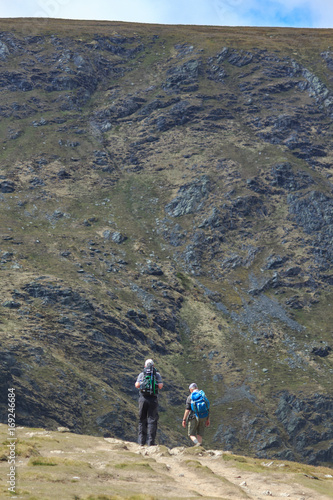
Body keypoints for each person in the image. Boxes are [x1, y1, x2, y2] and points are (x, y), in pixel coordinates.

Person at [135, 359, 163, 446]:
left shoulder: (142, 374)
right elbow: (160, 386)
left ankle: (141, 442)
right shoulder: (157, 374)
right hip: (153, 399)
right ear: (154, 366)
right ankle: (151, 442)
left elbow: (137, 385)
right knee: (152, 420)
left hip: (143, 398)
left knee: (142, 420)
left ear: (145, 366)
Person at [182, 382, 210, 447]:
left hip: (193, 417)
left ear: (191, 390)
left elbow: (187, 409)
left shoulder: (190, 397)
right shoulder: (203, 396)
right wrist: (208, 419)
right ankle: (200, 447)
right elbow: (207, 408)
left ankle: (197, 444)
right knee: (199, 434)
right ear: (197, 388)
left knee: (191, 434)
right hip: (203, 417)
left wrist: (184, 420)